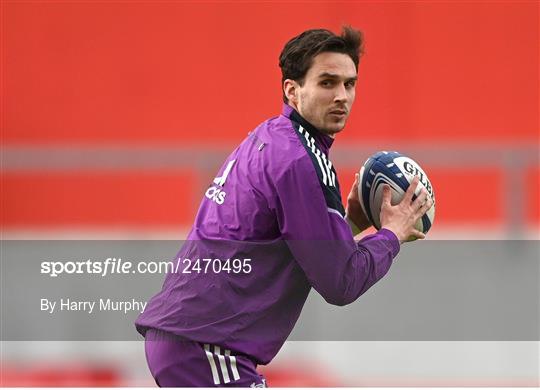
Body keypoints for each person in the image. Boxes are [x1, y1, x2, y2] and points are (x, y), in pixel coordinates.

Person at [135, 26, 432, 387]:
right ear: (292, 90)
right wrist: (391, 234)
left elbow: (281, 244)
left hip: (193, 341)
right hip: (207, 348)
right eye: (327, 82)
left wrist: (350, 223)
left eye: (349, 84)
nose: (342, 96)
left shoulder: (272, 137)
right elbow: (341, 282)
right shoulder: (301, 161)